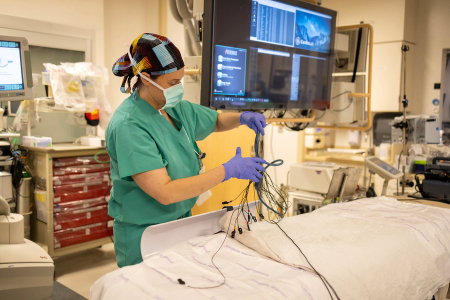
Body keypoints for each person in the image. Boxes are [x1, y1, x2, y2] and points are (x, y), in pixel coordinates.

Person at [106, 33, 267, 267]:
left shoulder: (174, 108)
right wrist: (227, 170)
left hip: (182, 223)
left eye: (180, 81)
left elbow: (215, 121)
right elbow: (165, 192)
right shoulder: (130, 125)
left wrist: (242, 118)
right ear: (145, 78)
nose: (178, 88)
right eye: (172, 83)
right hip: (146, 233)